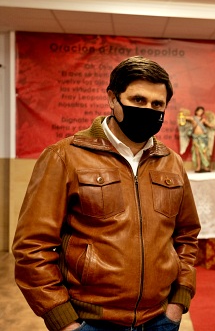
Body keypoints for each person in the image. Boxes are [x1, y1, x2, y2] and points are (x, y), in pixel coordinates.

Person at [12, 56, 201, 331]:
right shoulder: (64, 157)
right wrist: (64, 320)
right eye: (138, 100)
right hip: (92, 322)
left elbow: (186, 236)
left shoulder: (171, 162)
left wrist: (177, 303)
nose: (148, 109)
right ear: (113, 98)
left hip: (161, 320)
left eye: (157, 104)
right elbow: (32, 248)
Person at [178, 106, 215, 173]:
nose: (200, 112)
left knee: (204, 152)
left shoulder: (203, 120)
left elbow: (210, 125)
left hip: (203, 138)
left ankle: (205, 167)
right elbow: (183, 118)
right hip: (195, 138)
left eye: (202, 111)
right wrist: (181, 112)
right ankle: (198, 167)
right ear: (196, 111)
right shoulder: (192, 118)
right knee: (197, 153)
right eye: (199, 111)